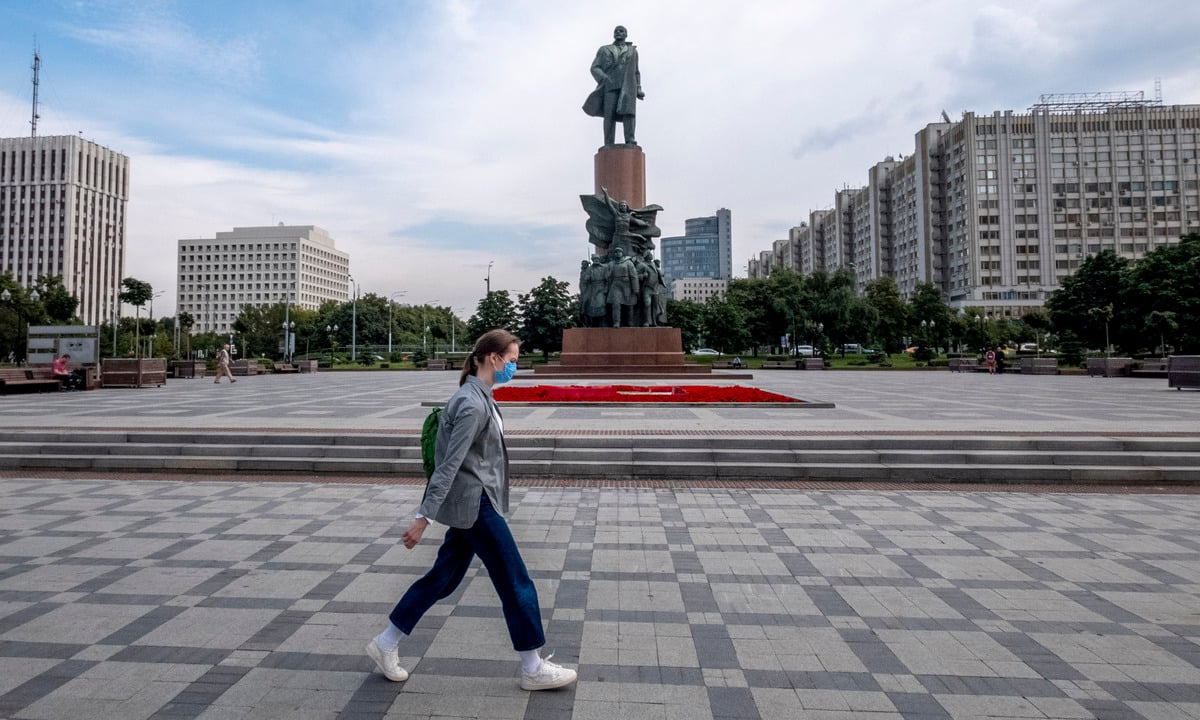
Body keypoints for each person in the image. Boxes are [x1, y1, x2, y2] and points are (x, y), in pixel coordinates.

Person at [365, 329, 577, 692]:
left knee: (442, 579)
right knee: (515, 581)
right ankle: (532, 666)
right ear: (492, 359)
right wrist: (423, 518)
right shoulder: (471, 403)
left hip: (472, 503)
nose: (514, 366)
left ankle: (385, 643)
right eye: (511, 361)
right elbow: (448, 464)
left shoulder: (479, 396)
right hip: (475, 506)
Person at [582, 25, 644, 146]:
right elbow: (594, 68)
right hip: (610, 86)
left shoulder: (633, 51)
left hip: (628, 86)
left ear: (626, 35)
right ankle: (608, 143)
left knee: (629, 114)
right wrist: (605, 78)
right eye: (616, 31)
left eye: (621, 31)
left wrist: (638, 88)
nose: (618, 33)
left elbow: (636, 71)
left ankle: (630, 139)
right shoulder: (604, 49)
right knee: (609, 115)